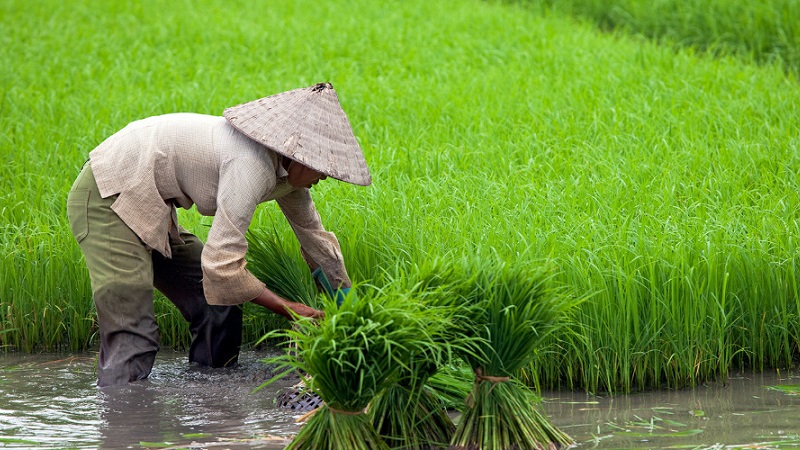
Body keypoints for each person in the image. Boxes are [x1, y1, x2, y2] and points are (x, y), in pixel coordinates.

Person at [66, 82, 371, 387]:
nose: (325, 177)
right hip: (108, 195)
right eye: (321, 167)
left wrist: (348, 308)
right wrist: (291, 310)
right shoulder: (250, 165)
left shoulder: (290, 177)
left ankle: (209, 398)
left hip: (148, 202)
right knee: (133, 334)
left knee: (215, 302)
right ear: (299, 155)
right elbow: (222, 266)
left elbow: (315, 239)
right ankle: (122, 418)